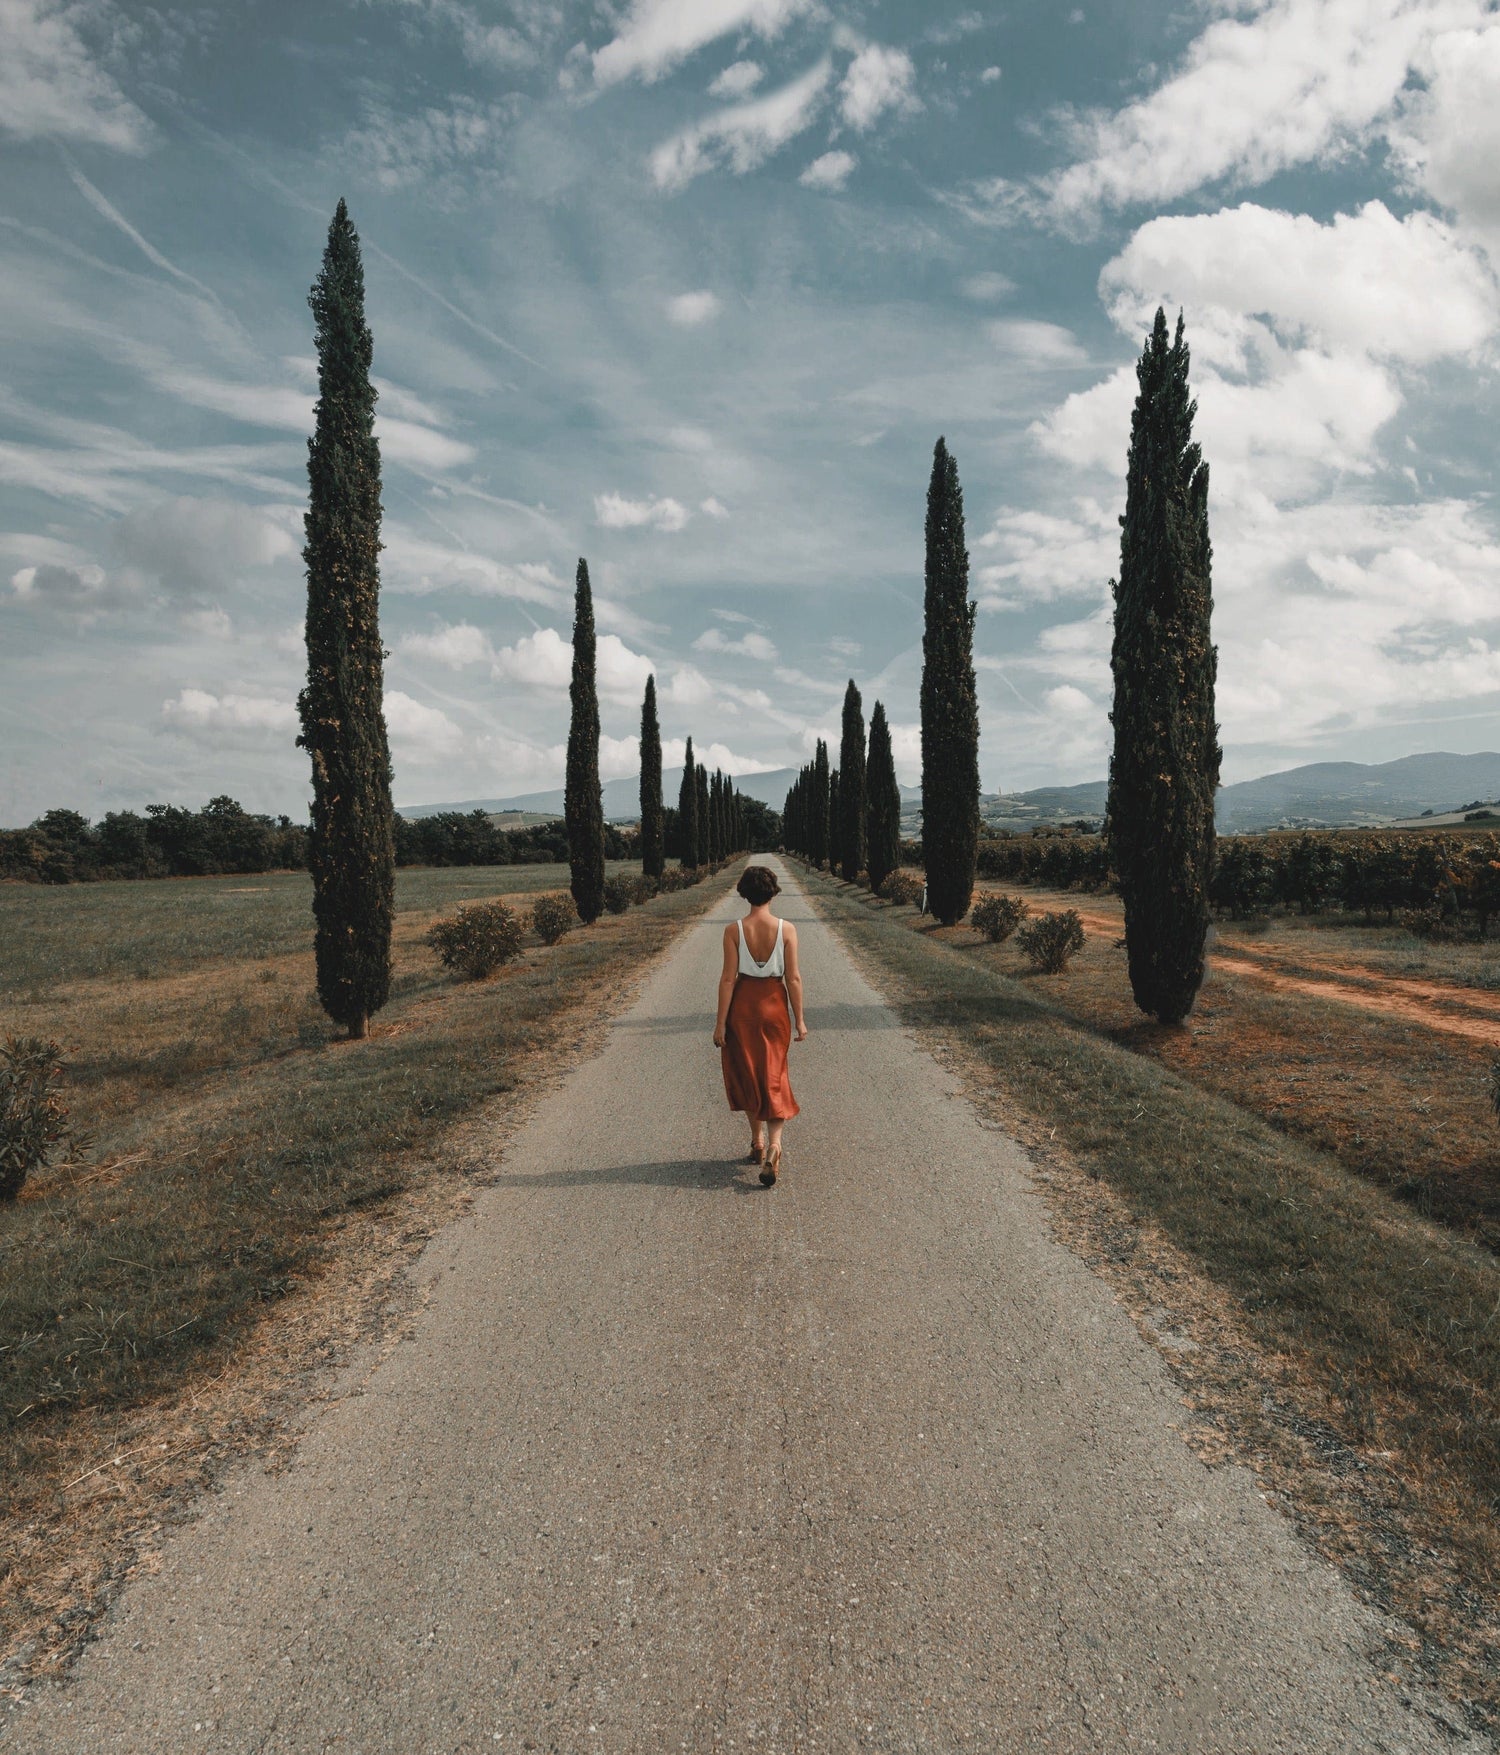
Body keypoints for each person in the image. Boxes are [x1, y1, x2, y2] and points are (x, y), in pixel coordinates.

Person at [713, 864, 808, 1186]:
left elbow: (728, 979)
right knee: (774, 1075)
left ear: (744, 893)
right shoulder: (787, 929)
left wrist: (720, 1025)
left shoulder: (734, 931)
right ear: (773, 892)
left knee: (749, 1073)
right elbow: (793, 978)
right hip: (774, 1005)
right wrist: (800, 1021)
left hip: (743, 1006)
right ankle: (775, 1146)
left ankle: (757, 1143)